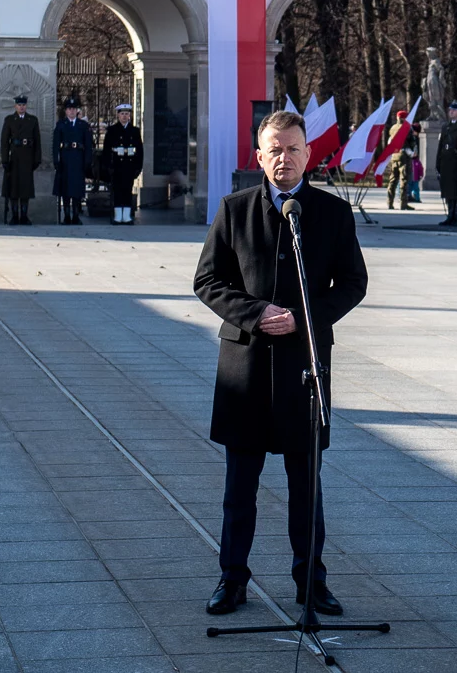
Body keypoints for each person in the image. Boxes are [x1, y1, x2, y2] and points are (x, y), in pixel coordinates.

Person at [195, 111, 367, 619]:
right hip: (245, 370)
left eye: (292, 149)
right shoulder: (234, 210)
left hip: (303, 368)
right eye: (274, 149)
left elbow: (353, 284)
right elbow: (208, 282)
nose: (283, 158)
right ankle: (232, 580)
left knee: (305, 487)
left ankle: (310, 582)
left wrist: (302, 320)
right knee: (239, 490)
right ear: (258, 156)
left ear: (308, 154)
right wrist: (256, 313)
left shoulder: (331, 214)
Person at [0, 95, 41, 224]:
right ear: (15, 106)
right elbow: (5, 141)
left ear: (26, 106)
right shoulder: (10, 120)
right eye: (19, 105)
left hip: (27, 157)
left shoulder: (32, 120)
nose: (21, 107)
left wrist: (36, 159)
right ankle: (14, 216)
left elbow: (37, 141)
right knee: (13, 188)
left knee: (25, 188)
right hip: (14, 157)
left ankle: (24, 215)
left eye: (23, 105)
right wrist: (5, 160)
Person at [102, 103, 145, 224]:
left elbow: (140, 151)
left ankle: (126, 216)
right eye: (122, 114)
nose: (124, 116)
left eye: (127, 114)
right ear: (118, 115)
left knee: (127, 190)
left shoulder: (134, 131)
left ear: (130, 116)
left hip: (129, 165)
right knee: (117, 190)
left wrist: (138, 168)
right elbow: (106, 150)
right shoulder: (112, 131)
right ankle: (117, 216)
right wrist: (108, 166)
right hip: (116, 165)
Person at [53, 95, 93, 225]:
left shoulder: (83, 125)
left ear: (77, 111)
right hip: (65, 158)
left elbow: (88, 145)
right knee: (65, 188)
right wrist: (56, 160)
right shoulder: (61, 124)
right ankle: (67, 215)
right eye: (69, 109)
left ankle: (76, 215)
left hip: (78, 158)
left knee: (76, 188)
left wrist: (87, 161)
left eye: (73, 109)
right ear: (65, 111)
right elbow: (55, 145)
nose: (71, 111)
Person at [435, 100, 457, 226]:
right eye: (450, 110)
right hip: (446, 162)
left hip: (456, 162)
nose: (451, 112)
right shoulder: (446, 126)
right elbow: (441, 145)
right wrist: (438, 162)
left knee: (456, 190)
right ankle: (450, 215)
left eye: (454, 110)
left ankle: (456, 215)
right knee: (448, 190)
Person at [384, 138, 416, 211]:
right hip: (403, 157)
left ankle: (389, 202)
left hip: (394, 155)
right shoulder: (407, 129)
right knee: (403, 181)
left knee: (392, 180)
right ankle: (403, 204)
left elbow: (389, 142)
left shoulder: (393, 128)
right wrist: (411, 153)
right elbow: (410, 144)